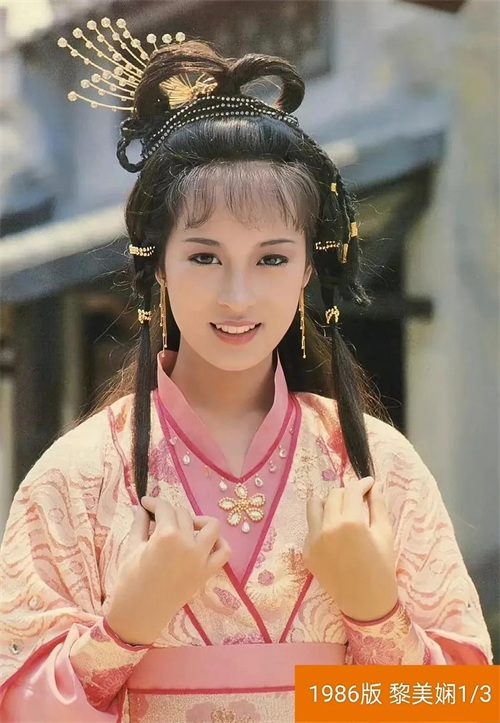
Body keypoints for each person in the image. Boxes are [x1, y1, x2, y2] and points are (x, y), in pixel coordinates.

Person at [0, 18, 492, 723]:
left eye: (271, 258)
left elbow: (462, 707)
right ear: (157, 267)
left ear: (308, 268)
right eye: (204, 256)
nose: (237, 296)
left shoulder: (375, 466)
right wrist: (124, 627)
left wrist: (375, 611)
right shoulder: (75, 478)